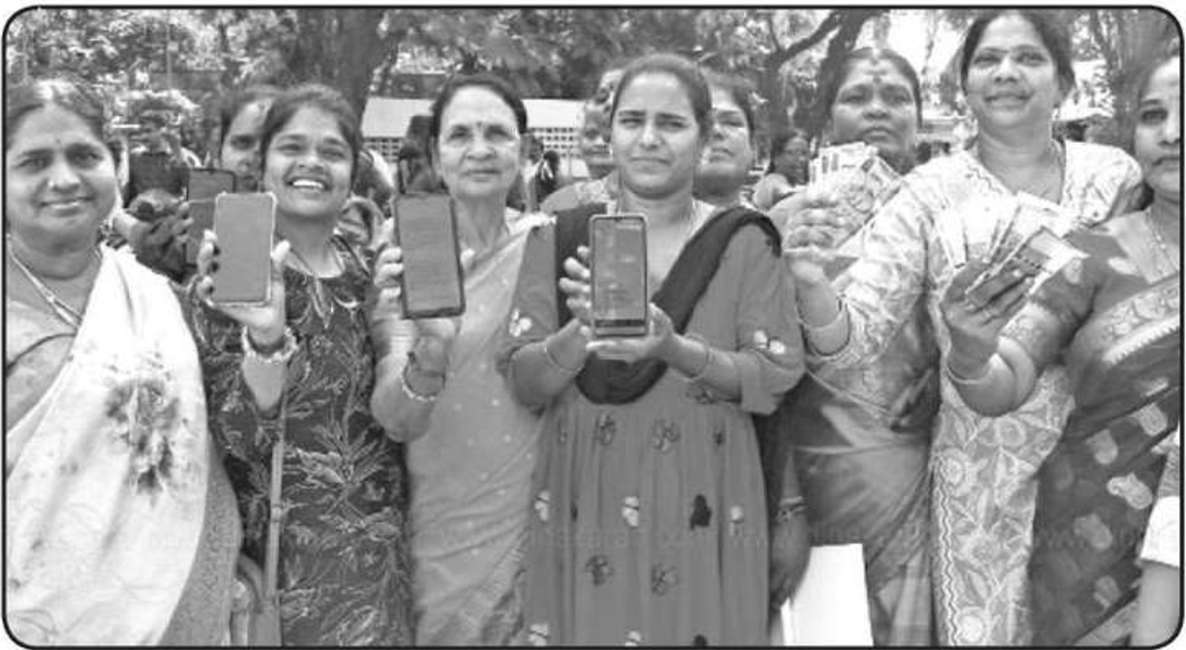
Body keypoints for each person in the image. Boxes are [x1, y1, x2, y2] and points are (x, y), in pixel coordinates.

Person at [784, 10, 1141, 645]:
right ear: (964, 86)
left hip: (1105, 458)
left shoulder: (1115, 177)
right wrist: (812, 287)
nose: (1006, 72)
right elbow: (851, 344)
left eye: (1028, 58)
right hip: (981, 473)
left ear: (1063, 82)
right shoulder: (927, 193)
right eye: (987, 60)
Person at [502, 53, 805, 645]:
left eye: (671, 123)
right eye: (632, 120)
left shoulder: (744, 241)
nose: (648, 139)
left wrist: (673, 348)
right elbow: (525, 383)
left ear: (703, 138)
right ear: (609, 131)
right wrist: (578, 334)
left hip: (704, 497)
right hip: (586, 494)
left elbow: (772, 378)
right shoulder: (559, 236)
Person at [936, 48, 1180, 646]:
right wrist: (971, 349)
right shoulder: (1089, 253)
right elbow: (1006, 379)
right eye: (1153, 115)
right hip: (1093, 540)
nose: (1171, 134)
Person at [5, 78, 239, 645]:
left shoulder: (155, 294)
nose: (64, 179)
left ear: (116, 165)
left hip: (181, 613)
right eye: (34, 162)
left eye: (84, 156)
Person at [187, 83, 413, 645]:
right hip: (280, 576)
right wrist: (266, 338)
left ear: (353, 173)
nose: (312, 162)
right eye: (292, 147)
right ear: (262, 164)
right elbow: (236, 439)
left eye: (332, 151)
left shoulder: (368, 274)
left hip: (377, 568)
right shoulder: (227, 281)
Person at [369, 72, 549, 645]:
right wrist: (434, 346)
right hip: (445, 522)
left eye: (497, 133)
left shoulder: (551, 244)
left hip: (546, 514)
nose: (479, 149)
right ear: (435, 153)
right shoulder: (403, 256)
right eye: (460, 134)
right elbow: (397, 419)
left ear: (525, 150)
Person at [766, 47, 938, 646]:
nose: (877, 110)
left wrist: (946, 376)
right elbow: (757, 354)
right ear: (827, 117)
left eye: (896, 97)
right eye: (857, 97)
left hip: (910, 464)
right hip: (803, 465)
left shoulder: (948, 212)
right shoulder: (785, 221)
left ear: (919, 118)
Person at [694, 71, 759, 209]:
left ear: (753, 146)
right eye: (702, 122)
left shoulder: (765, 222)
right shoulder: (646, 221)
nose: (716, 131)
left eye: (731, 122)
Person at [125, 111, 187, 204]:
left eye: (148, 131)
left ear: (162, 131)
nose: (144, 136)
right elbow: (126, 190)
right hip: (140, 210)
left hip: (171, 211)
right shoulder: (135, 157)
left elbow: (191, 186)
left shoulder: (178, 156)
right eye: (141, 132)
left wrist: (177, 152)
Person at [752, 129, 810, 211]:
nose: (801, 159)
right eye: (791, 153)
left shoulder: (794, 184)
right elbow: (783, 192)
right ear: (776, 158)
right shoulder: (772, 180)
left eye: (804, 153)